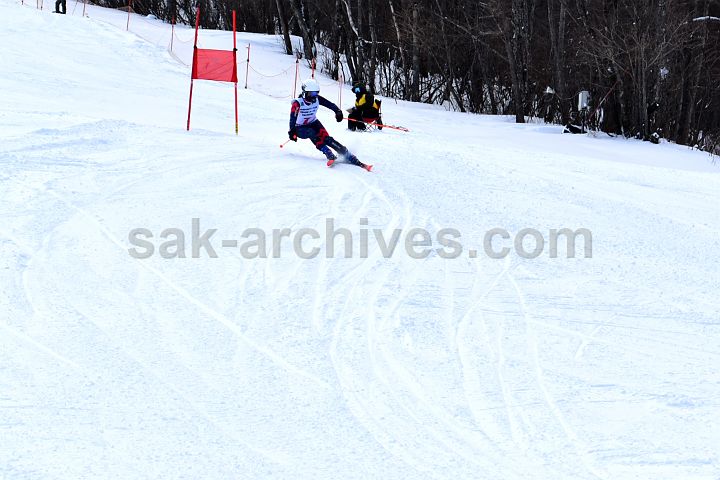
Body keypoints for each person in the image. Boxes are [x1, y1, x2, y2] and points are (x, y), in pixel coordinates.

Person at [289, 78, 371, 171]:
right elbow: (292, 118)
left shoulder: (317, 99)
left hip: (313, 122)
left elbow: (330, 104)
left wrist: (338, 111)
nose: (314, 96)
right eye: (312, 94)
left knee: (327, 138)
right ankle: (328, 152)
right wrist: (292, 131)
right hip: (299, 128)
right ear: (305, 92)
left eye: (316, 93)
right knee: (311, 132)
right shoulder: (297, 103)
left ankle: (348, 155)